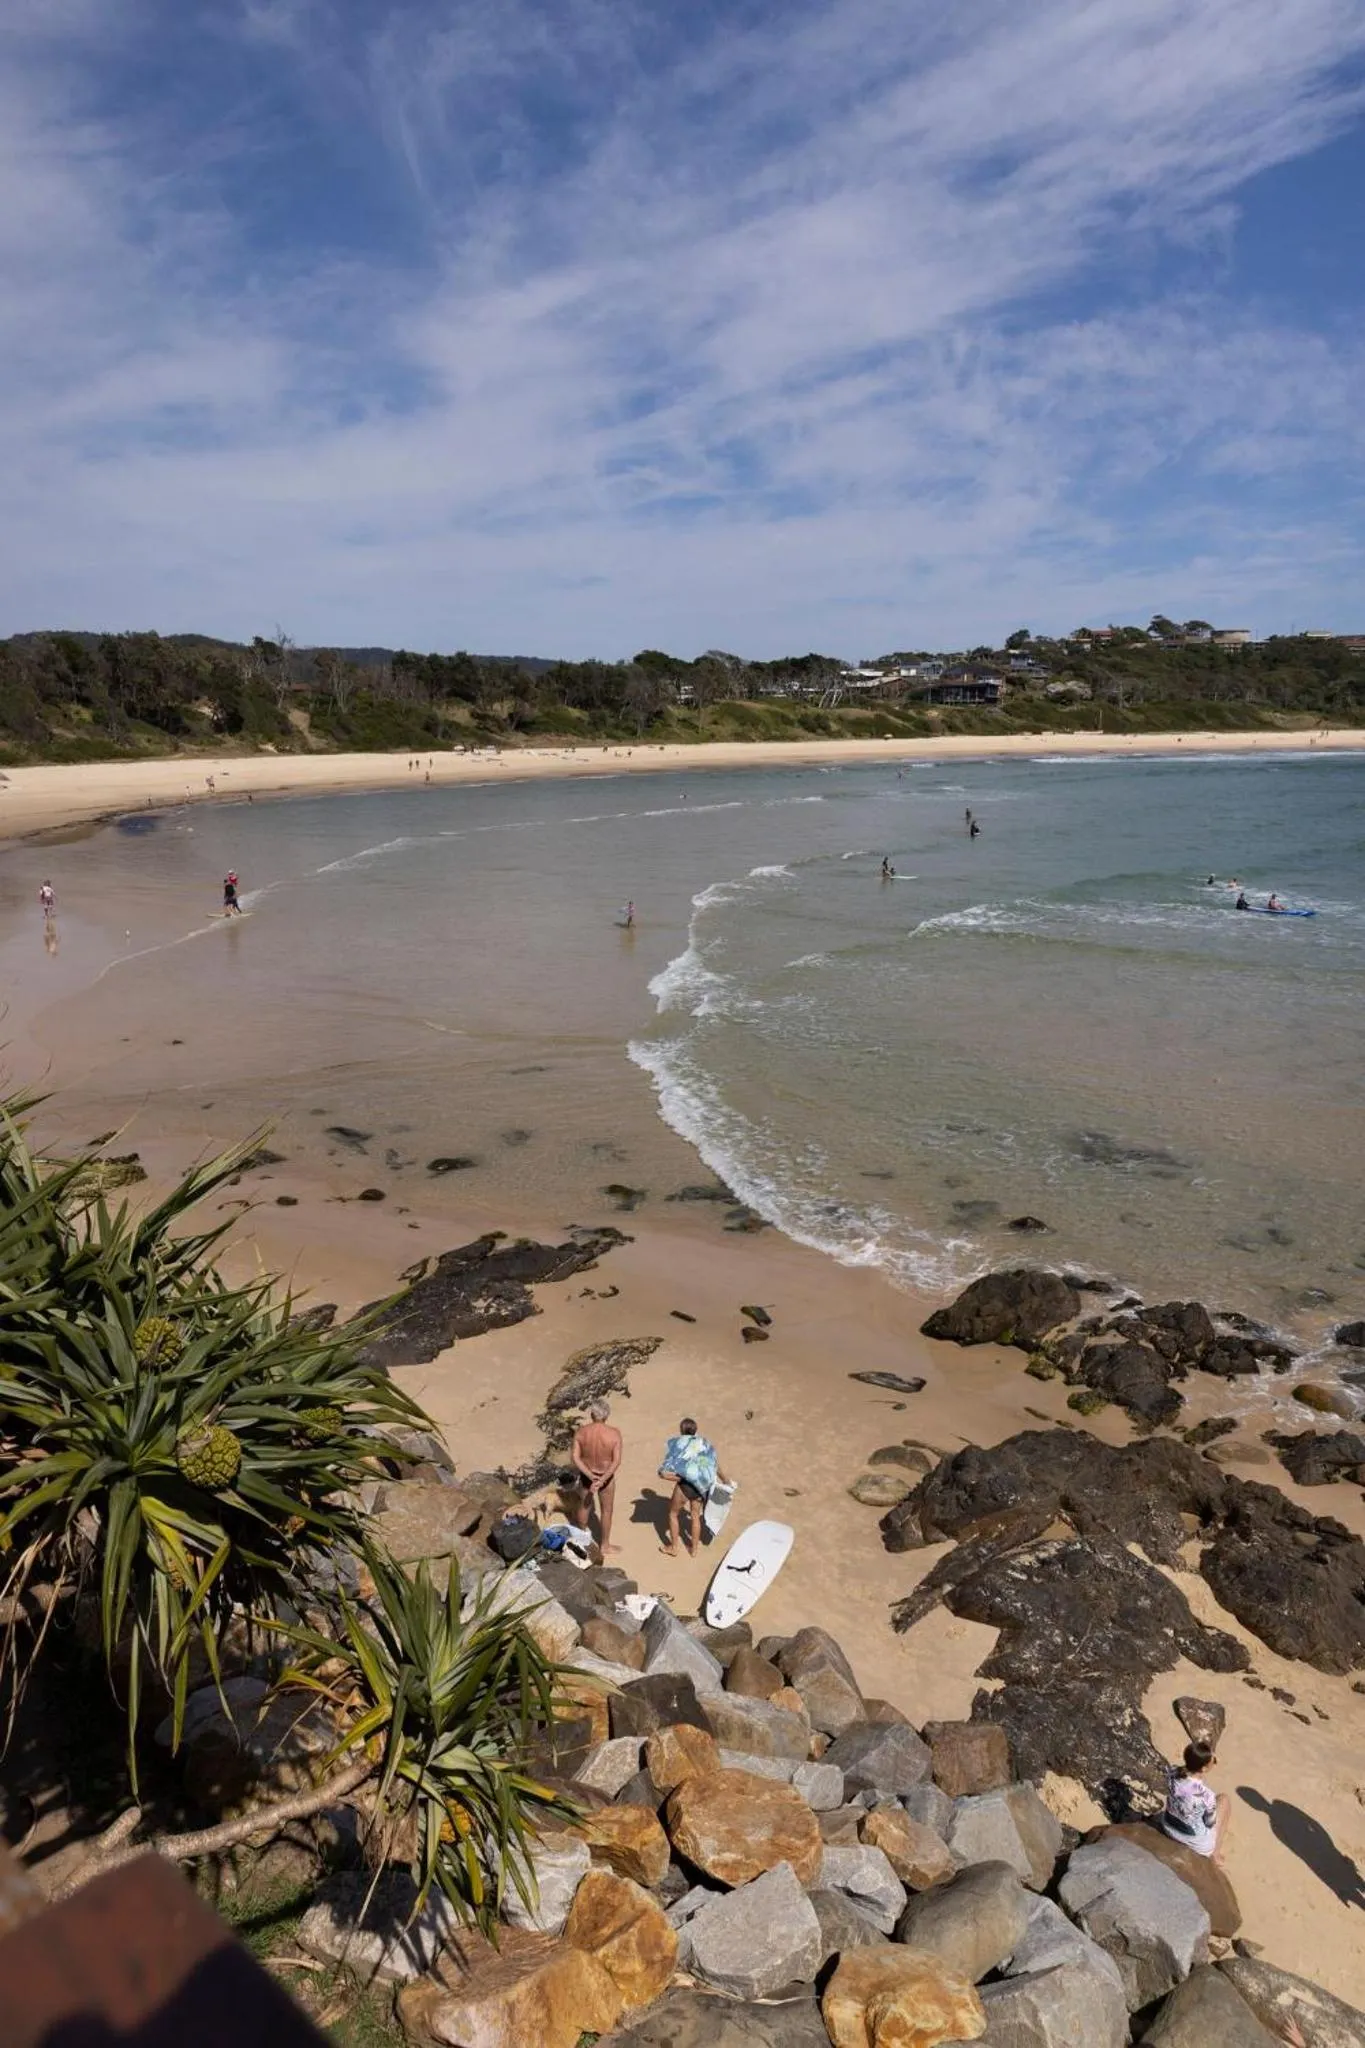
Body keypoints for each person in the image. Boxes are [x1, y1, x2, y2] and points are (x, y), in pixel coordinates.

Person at [658, 1416, 727, 1558]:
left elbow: (667, 1467)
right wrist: (725, 1479)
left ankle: (674, 1547)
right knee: (695, 1515)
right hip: (701, 1485)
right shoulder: (704, 1443)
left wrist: (667, 1475)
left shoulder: (679, 1444)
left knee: (673, 1514)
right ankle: (694, 1550)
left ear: (682, 1431)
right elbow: (713, 1463)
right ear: (695, 1430)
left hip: (685, 1485)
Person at [1161, 1740, 1229, 1867]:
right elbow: (1210, 1822)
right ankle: (1215, 1854)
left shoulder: (1171, 1771)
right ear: (1203, 1768)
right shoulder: (1206, 1795)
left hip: (1169, 1825)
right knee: (1224, 1800)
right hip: (1194, 1841)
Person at [569, 1401, 623, 1554]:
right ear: (607, 1415)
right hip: (606, 1478)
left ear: (592, 1414)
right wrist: (602, 1479)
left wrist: (590, 1476)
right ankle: (605, 1545)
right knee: (607, 1510)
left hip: (587, 1475)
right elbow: (616, 1461)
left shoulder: (581, 1432)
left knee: (584, 1506)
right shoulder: (614, 1433)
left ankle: (583, 1540)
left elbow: (575, 1458)